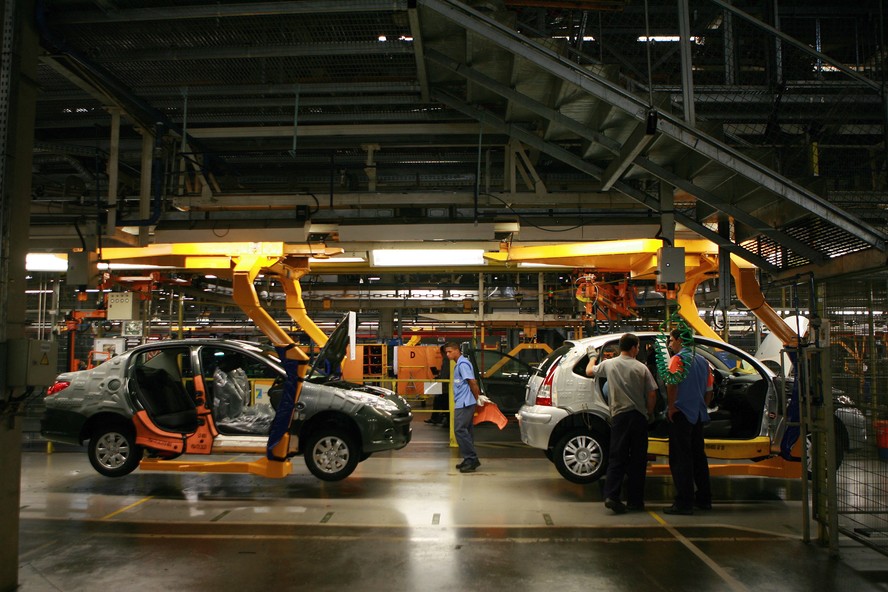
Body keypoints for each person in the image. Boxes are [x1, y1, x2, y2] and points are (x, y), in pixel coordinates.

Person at [586, 333, 657, 514]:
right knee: (638, 460)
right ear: (634, 348)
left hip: (619, 416)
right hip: (638, 418)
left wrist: (593, 357)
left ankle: (612, 496)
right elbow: (652, 394)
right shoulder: (641, 368)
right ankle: (635, 501)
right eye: (638, 347)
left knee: (617, 458)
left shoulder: (609, 364)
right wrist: (649, 413)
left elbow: (589, 371)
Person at [664, 328, 714, 515]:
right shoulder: (703, 361)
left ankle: (683, 503)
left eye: (671, 340)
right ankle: (704, 499)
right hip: (698, 415)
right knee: (699, 458)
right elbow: (710, 389)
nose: (670, 344)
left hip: (682, 414)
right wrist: (703, 406)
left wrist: (671, 407)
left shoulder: (678, 359)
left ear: (679, 340)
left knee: (680, 459)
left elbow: (672, 383)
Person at [445, 342, 482, 473]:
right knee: (467, 431)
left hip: (465, 403)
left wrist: (477, 398)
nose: (448, 355)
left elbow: (472, 382)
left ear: (456, 350)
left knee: (459, 430)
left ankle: (472, 458)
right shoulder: (459, 365)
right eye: (446, 352)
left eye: (450, 352)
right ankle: (468, 459)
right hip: (463, 402)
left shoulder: (463, 364)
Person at [425, 345, 450, 426]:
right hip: (446, 386)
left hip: (445, 386)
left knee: (442, 402)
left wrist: (439, 378)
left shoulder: (446, 360)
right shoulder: (449, 360)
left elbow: (445, 375)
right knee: (439, 400)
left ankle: (440, 419)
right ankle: (436, 418)